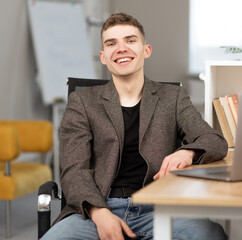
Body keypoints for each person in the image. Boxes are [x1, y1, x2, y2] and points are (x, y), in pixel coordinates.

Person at [41, 12, 228, 240]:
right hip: (97, 209)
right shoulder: (82, 102)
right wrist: (100, 214)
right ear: (103, 56)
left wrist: (188, 152)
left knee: (208, 234)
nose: (121, 48)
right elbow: (74, 171)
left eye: (130, 40)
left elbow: (215, 141)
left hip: (158, 207)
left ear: (145, 50)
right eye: (112, 43)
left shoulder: (173, 98)